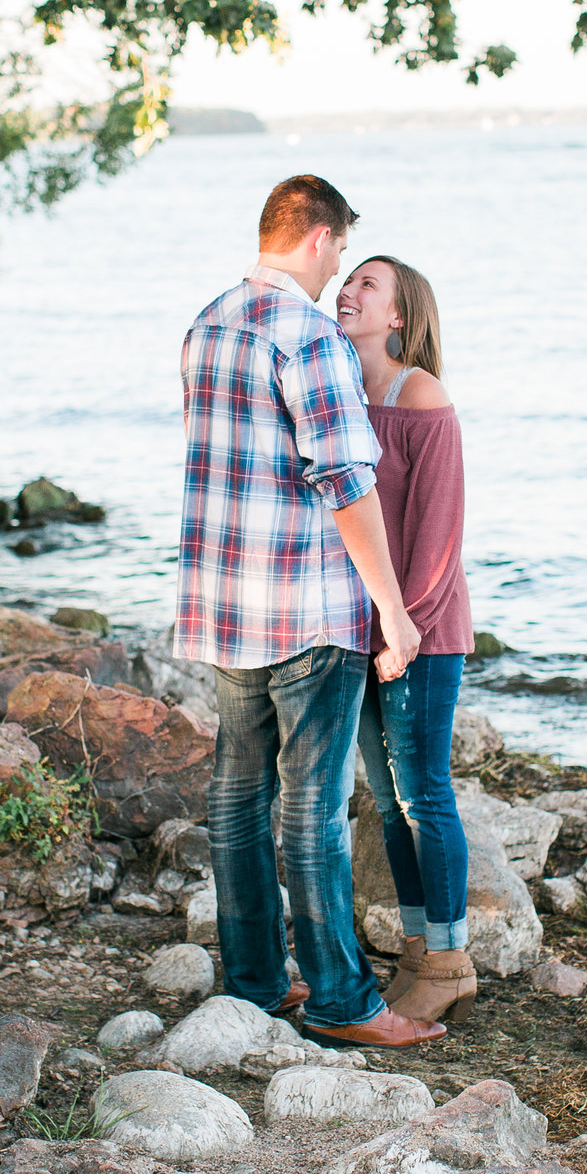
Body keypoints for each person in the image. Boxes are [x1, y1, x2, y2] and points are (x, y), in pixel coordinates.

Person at [174, 175, 444, 1049]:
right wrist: (395, 615)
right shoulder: (310, 338)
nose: (339, 277)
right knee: (313, 810)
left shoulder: (205, 325)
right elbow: (348, 488)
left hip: (223, 603)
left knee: (238, 794)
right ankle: (341, 998)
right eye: (341, 255)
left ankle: (255, 981)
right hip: (308, 611)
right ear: (322, 238)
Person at [335, 255, 477, 1021]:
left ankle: (452, 960)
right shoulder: (341, 396)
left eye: (367, 286)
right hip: (359, 633)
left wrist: (405, 627)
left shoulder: (418, 394)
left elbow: (437, 533)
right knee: (389, 806)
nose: (347, 292)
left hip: (420, 633)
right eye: (346, 282)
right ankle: (423, 952)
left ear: (399, 315)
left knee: (425, 795)